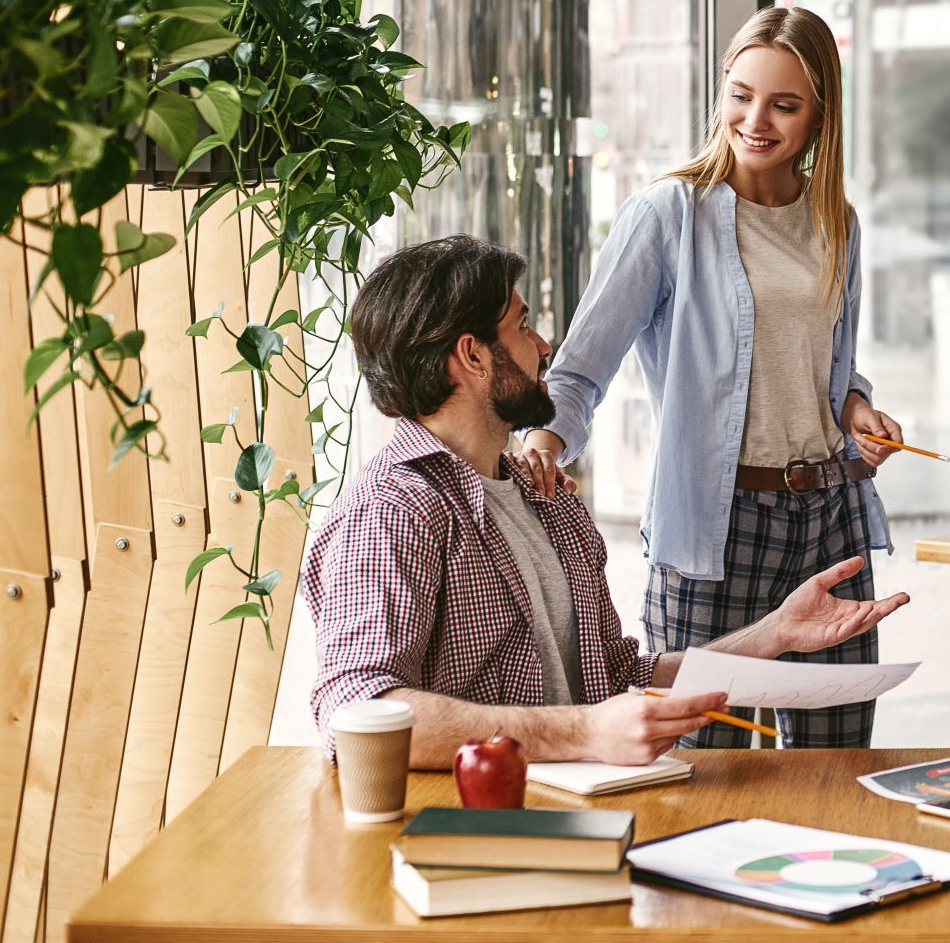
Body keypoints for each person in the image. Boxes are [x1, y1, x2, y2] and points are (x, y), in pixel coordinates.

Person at [301, 235, 909, 768]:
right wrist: (585, 733)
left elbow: (615, 679)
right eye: (522, 325)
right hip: (475, 833)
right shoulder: (396, 508)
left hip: (575, 817)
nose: (544, 345)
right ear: (473, 356)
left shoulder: (545, 500)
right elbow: (356, 709)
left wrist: (772, 635)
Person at [515, 6, 904, 750]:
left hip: (830, 518)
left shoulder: (838, 224)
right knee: (702, 771)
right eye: (740, 94)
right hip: (715, 531)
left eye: (784, 105)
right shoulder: (668, 215)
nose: (755, 119)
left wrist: (858, 409)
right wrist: (545, 443)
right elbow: (582, 367)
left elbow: (829, 367)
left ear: (821, 115)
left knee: (835, 765)